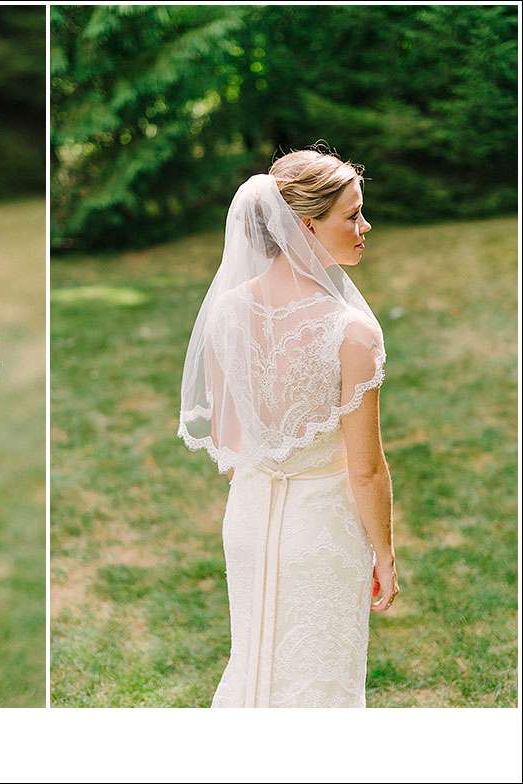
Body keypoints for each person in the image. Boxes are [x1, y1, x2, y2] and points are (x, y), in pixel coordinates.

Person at [178, 147, 398, 707]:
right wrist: (385, 554)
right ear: (306, 227)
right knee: (317, 682)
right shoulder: (350, 333)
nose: (364, 226)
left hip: (248, 519)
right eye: (351, 215)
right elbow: (367, 469)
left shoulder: (227, 313)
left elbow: (231, 443)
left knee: (256, 667)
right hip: (321, 526)